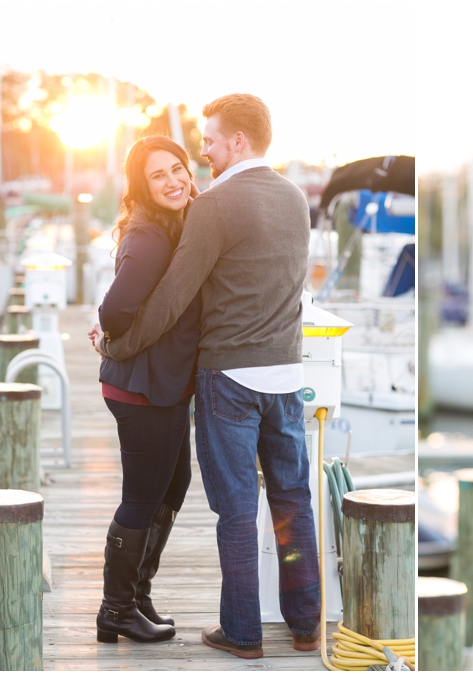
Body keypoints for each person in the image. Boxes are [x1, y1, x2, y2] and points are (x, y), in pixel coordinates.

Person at [94, 93, 319, 659]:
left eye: (211, 140)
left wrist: (117, 344)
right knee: (293, 501)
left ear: (237, 142)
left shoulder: (214, 205)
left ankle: (243, 632)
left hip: (231, 379)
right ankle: (305, 624)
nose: (204, 150)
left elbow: (170, 299)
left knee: (237, 509)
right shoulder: (295, 198)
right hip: (288, 375)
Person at [92, 135, 201, 644]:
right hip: (142, 389)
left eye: (177, 169)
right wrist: (111, 338)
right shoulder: (151, 237)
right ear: (143, 185)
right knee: (141, 497)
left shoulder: (173, 225)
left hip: (163, 386)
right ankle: (116, 610)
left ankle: (136, 595)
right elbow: (114, 311)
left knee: (172, 486)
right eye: (159, 175)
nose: (173, 180)